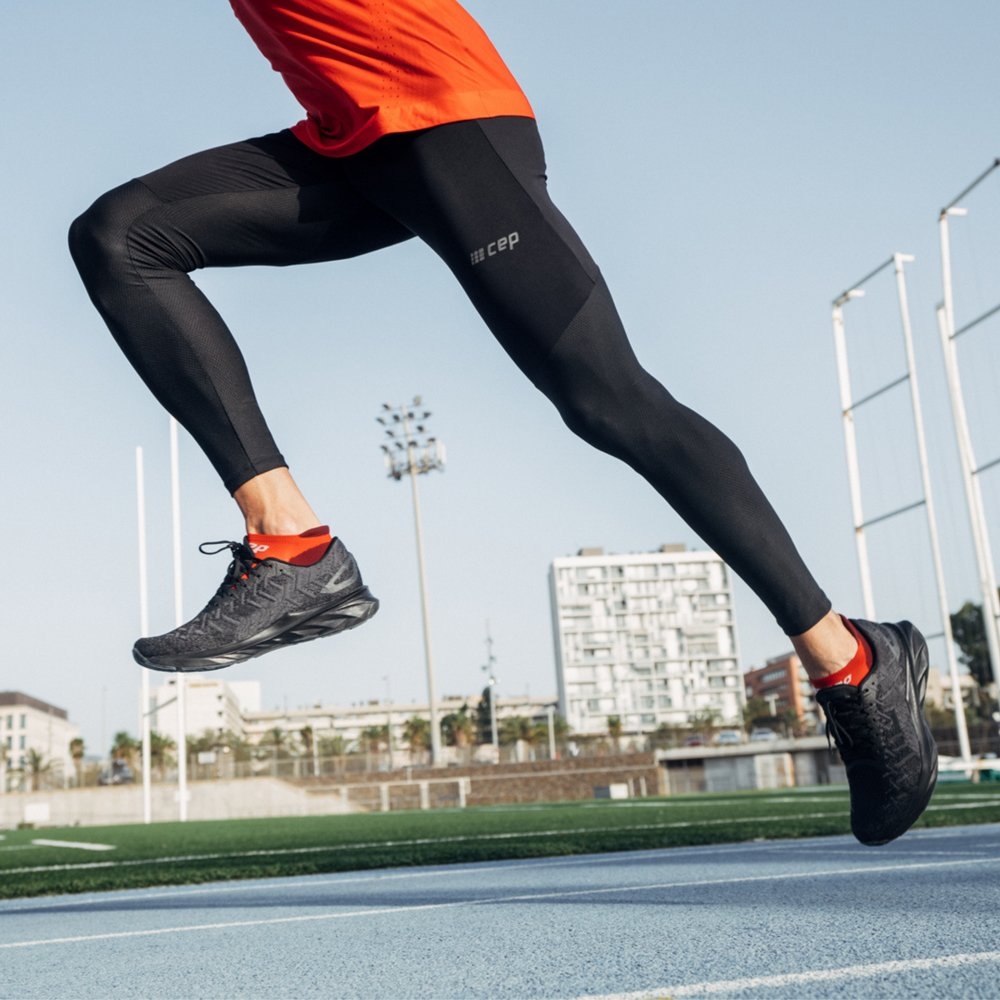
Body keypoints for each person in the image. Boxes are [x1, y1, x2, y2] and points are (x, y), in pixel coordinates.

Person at [69, 0, 936, 846]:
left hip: (446, 118)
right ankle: (293, 546)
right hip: (351, 142)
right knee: (121, 237)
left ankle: (852, 661)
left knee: (608, 401)